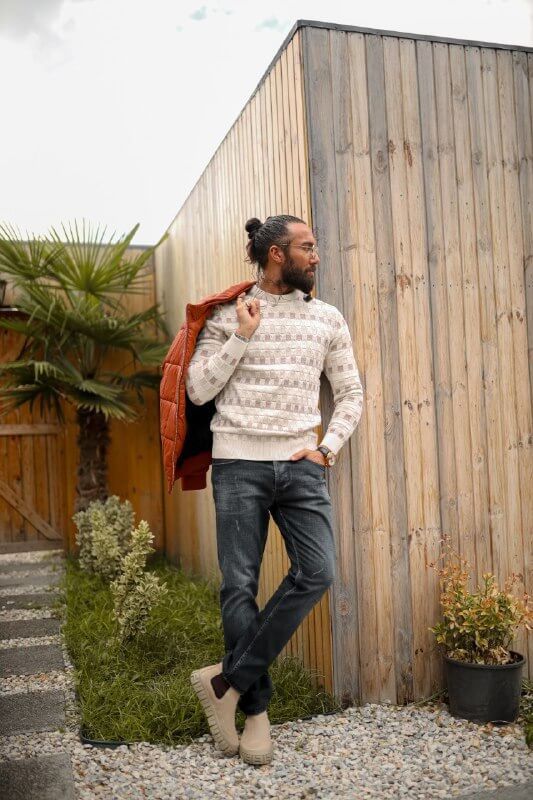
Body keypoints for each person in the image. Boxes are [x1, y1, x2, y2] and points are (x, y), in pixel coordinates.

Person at [187, 214, 364, 765]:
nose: (317, 255)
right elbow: (198, 390)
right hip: (238, 463)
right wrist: (242, 336)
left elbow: (351, 394)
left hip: (301, 465)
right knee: (239, 586)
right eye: (307, 247)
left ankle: (226, 682)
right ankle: (256, 714)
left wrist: (326, 449)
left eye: (315, 246)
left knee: (318, 571)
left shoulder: (328, 318)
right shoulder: (228, 314)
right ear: (276, 255)